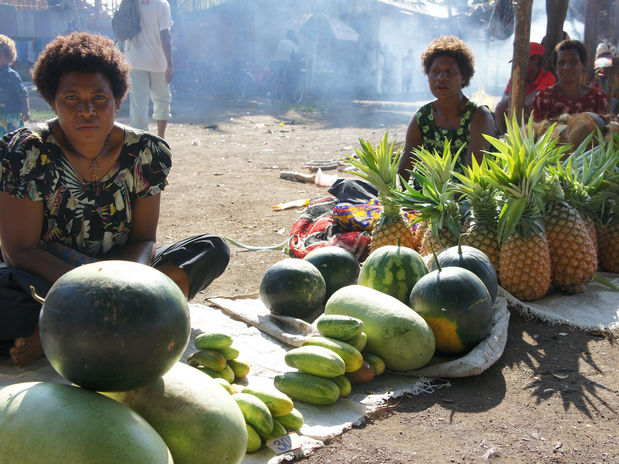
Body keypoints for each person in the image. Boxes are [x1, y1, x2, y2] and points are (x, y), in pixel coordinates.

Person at [0, 32, 230, 366]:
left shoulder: (145, 153)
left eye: (99, 97)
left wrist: (123, 286)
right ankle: (124, 322)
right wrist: (88, 290)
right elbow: (18, 250)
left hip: (122, 271)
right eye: (71, 99)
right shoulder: (27, 152)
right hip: (49, 279)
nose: (87, 110)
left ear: (117, 99)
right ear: (53, 101)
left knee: (211, 248)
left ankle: (60, 332)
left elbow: (143, 238)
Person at [398, 36, 495, 181]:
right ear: (428, 76)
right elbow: (404, 169)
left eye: (450, 71)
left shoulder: (479, 116)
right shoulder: (422, 117)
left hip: (469, 198)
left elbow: (472, 176)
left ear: (464, 77)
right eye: (435, 71)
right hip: (428, 197)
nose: (441, 78)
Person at [124, 0, 173, 138]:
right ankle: (161, 138)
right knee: (162, 99)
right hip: (158, 61)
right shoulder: (162, 5)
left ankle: (141, 143)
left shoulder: (130, 2)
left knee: (138, 103)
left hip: (134, 60)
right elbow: (165, 35)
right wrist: (170, 65)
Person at [531, 39, 609, 121]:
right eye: (561, 63)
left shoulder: (598, 98)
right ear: (556, 67)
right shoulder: (543, 98)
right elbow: (537, 131)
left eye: (573, 62)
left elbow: (603, 130)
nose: (567, 67)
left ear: (583, 64)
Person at [494, 42, 556, 133]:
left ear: (536, 60)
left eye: (522, 60)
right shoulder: (515, 77)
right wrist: (512, 103)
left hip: (539, 121)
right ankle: (504, 138)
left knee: (531, 108)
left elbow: (535, 97)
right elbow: (505, 98)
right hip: (519, 113)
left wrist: (516, 103)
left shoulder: (548, 77)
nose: (518, 64)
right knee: (500, 106)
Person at [0, 34, 29, 138]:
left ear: (8, 57)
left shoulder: (12, 75)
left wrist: (26, 110)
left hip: (11, 116)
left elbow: (22, 93)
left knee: (12, 140)